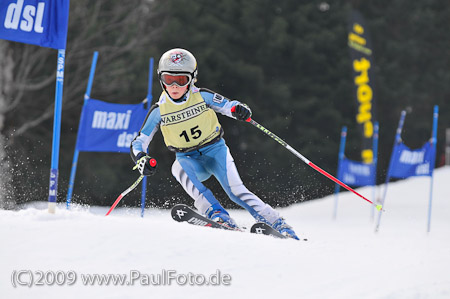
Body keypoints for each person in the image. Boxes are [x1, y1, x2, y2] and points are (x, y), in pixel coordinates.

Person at [130, 48, 299, 240]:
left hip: (215, 151)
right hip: (188, 158)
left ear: (192, 79)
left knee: (236, 191)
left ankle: (277, 223)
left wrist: (239, 109)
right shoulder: (159, 111)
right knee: (178, 168)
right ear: (161, 80)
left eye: (181, 80)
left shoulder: (202, 96)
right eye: (169, 80)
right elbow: (139, 142)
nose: (175, 86)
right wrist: (141, 157)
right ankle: (217, 214)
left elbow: (228, 105)